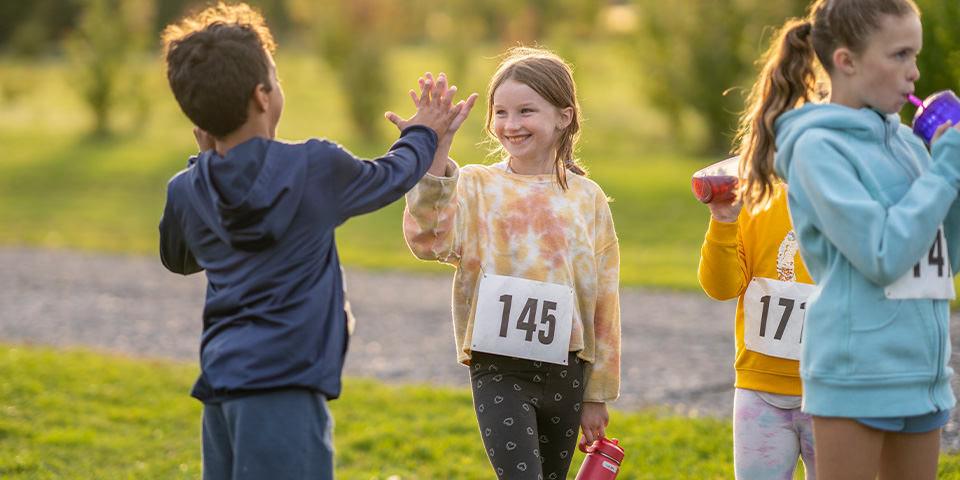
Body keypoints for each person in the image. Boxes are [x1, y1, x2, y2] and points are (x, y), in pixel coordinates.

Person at [158, 3, 467, 478]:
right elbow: (392, 176)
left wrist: (204, 162)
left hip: (220, 387)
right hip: (286, 387)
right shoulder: (313, 167)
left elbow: (178, 259)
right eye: (276, 79)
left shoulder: (186, 187)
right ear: (263, 96)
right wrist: (424, 131)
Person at [737, 0, 960, 478]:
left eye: (915, 56)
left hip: (923, 374)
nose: (914, 73)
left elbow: (940, 256)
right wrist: (945, 170)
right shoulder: (817, 149)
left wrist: (955, 185)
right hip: (856, 373)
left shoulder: (906, 144)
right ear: (847, 61)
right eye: (900, 55)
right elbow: (883, 255)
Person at [394, 46, 621, 480]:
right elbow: (429, 240)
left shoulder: (588, 199)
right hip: (498, 367)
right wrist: (436, 151)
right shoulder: (477, 186)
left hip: (567, 373)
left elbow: (605, 301)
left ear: (564, 116)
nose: (511, 124)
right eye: (501, 112)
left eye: (526, 111)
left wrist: (597, 391)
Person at [697, 163, 816, 479]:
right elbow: (721, 288)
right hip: (759, 388)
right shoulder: (756, 203)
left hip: (838, 390)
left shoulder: (858, 206)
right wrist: (723, 219)